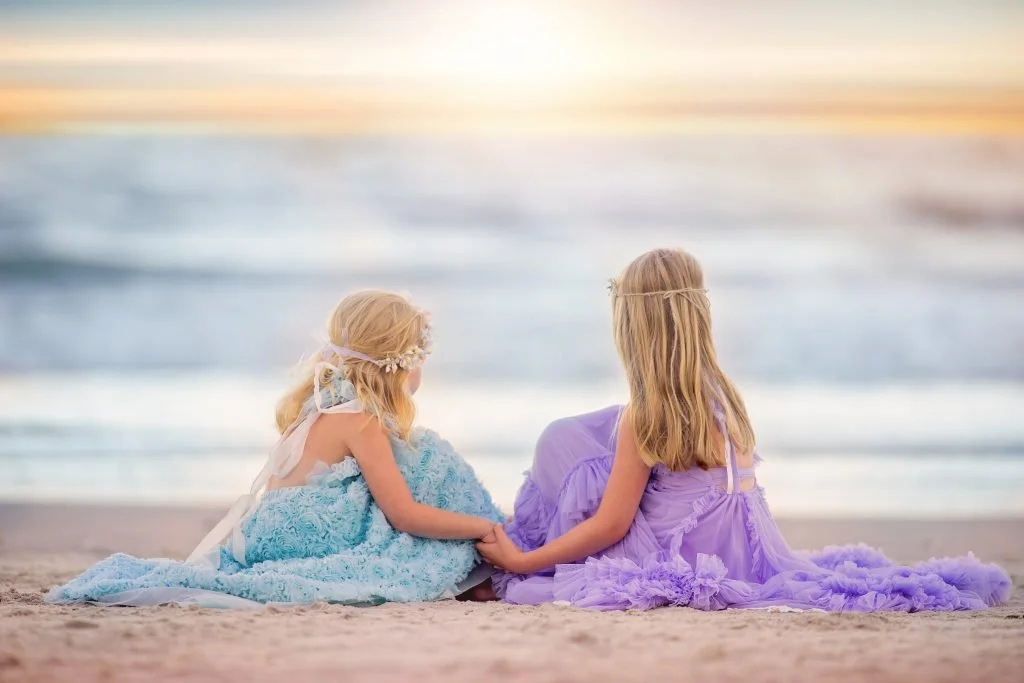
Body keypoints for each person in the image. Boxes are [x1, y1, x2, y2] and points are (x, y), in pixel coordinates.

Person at [477, 248, 1011, 612]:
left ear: (631, 328)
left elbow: (612, 526)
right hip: (743, 558)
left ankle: (523, 544)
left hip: (677, 559)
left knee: (560, 455)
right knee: (573, 434)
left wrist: (525, 563)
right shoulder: (723, 397)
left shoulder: (647, 416)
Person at [49, 290, 504, 608]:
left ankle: (476, 566)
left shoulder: (319, 405)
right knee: (430, 465)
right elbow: (402, 513)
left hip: (262, 534)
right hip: (300, 534)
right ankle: (489, 559)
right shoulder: (362, 419)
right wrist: (477, 525)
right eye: (421, 358)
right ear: (402, 363)